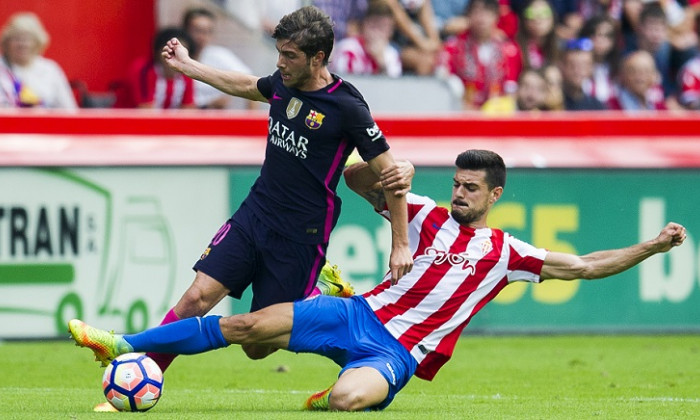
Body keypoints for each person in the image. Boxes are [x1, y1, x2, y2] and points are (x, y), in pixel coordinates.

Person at [69, 149, 687, 412]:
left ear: (495, 194)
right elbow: (358, 181)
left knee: (346, 402)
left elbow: (584, 265)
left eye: (473, 188)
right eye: (457, 184)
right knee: (246, 325)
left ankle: (332, 389)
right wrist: (389, 172)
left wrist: (652, 247)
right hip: (356, 313)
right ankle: (126, 345)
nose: (461, 193)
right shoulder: (422, 213)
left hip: (394, 351)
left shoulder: (506, 251)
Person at [155, 4, 412, 372]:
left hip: (300, 233)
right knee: (197, 297)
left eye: (289, 55)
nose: (280, 62)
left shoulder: (347, 107)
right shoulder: (283, 82)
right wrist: (187, 64)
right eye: (279, 53)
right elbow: (245, 85)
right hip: (256, 213)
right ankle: (144, 367)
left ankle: (319, 297)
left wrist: (400, 244)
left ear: (317, 57)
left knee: (256, 348)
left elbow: (393, 177)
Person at [439, 0, 523, 109]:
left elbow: (511, 88)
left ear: (496, 16)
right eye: (476, 12)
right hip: (462, 113)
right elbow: (442, 78)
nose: (481, 18)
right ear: (468, 16)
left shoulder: (510, 51)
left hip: (498, 114)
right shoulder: (452, 48)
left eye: (487, 12)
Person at [182, 8, 257, 109]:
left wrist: (251, 121)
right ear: (185, 30)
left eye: (207, 32)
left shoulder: (220, 56)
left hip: (218, 122)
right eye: (197, 31)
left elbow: (252, 84)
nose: (202, 37)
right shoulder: (174, 60)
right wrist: (208, 105)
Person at [0, 12, 76, 109]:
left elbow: (69, 110)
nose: (22, 45)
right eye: (16, 39)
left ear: (37, 42)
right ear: (6, 42)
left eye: (27, 39)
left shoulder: (50, 69)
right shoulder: (2, 68)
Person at [113, 27, 196, 109]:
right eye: (171, 51)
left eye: (181, 53)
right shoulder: (142, 70)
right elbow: (146, 111)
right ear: (157, 51)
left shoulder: (187, 74)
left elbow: (189, 110)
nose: (176, 56)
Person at [330, 0, 403, 77]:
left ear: (391, 31)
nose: (377, 32)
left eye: (384, 27)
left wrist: (382, 64)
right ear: (364, 25)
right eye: (374, 25)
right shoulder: (348, 50)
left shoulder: (391, 54)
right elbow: (344, 85)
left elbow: (394, 86)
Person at [578, 14, 621, 103]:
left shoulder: (619, 69)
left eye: (607, 35)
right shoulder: (576, 67)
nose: (600, 40)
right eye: (594, 34)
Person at [558, 37, 608, 110]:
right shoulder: (552, 104)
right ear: (562, 67)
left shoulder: (597, 106)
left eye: (583, 65)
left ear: (591, 68)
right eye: (572, 65)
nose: (577, 71)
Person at [482, 67, 550, 112]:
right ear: (518, 88)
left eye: (538, 89)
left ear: (545, 94)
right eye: (526, 87)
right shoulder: (497, 108)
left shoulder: (548, 115)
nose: (531, 94)